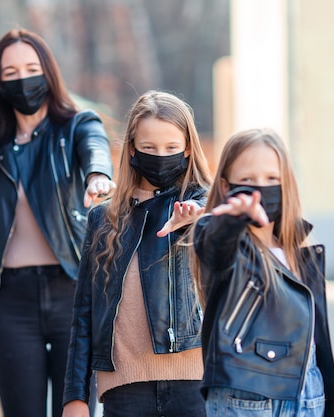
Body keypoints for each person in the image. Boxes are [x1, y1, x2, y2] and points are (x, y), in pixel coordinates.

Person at [0, 28, 115, 417]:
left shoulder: (76, 126)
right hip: (11, 305)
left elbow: (95, 146)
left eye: (30, 68)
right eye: (10, 73)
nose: (22, 79)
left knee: (75, 412)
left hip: (73, 297)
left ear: (48, 72)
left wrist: (97, 176)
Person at [62, 90, 212, 417]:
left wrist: (203, 216)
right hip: (124, 390)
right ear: (131, 149)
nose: (161, 155)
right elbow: (84, 314)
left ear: (188, 149)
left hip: (194, 384)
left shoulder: (206, 207)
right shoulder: (103, 220)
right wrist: (75, 396)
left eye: (172, 148)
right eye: (148, 148)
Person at [191, 128, 334, 416]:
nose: (259, 190)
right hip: (247, 395)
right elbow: (215, 245)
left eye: (272, 179)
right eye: (247, 180)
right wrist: (233, 220)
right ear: (226, 187)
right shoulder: (217, 235)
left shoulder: (301, 254)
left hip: (308, 392)